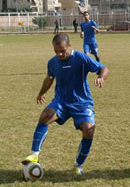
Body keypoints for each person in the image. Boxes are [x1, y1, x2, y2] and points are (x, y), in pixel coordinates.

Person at [21, 33, 108, 176]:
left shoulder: (81, 58)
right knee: (45, 116)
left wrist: (101, 77)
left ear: (69, 46)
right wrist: (41, 93)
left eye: (62, 50)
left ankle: (78, 165)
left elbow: (103, 68)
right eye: (56, 51)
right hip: (61, 101)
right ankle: (34, 154)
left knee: (89, 131)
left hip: (82, 103)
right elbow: (49, 79)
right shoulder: (52, 62)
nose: (59, 54)